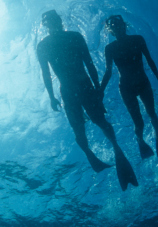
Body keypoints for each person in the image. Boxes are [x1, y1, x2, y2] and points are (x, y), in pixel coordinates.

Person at [36, 10, 138, 190]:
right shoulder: (50, 44)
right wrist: (52, 97)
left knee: (96, 122)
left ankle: (115, 151)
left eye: (55, 20)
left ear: (58, 22)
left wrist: (98, 88)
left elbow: (89, 63)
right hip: (74, 89)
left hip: (81, 87)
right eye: (51, 21)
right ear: (50, 24)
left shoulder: (66, 39)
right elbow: (47, 73)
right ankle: (96, 154)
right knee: (82, 127)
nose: (54, 23)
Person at [101, 15, 158, 170]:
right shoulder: (110, 48)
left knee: (152, 114)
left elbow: (149, 60)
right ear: (111, 30)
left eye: (119, 25)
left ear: (124, 26)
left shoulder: (138, 39)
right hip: (126, 88)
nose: (118, 28)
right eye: (114, 27)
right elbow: (108, 72)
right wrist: (100, 91)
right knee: (138, 122)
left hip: (143, 84)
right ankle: (140, 141)